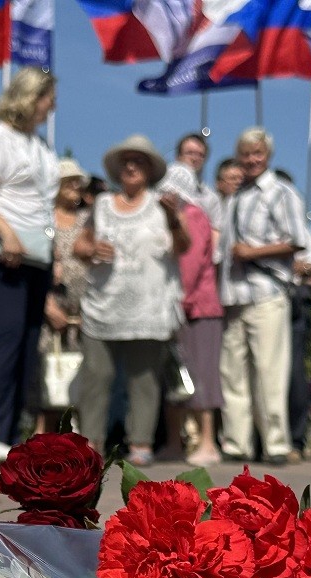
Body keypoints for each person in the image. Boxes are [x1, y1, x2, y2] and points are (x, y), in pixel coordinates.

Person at [73, 135, 189, 466]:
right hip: (104, 304)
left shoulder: (163, 205)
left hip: (147, 306)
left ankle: (141, 442)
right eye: (126, 161)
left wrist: (173, 220)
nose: (131, 166)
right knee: (97, 375)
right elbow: (79, 246)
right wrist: (91, 249)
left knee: (144, 379)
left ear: (150, 169)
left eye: (138, 160)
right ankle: (89, 444)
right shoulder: (102, 205)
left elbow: (183, 247)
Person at [0, 68, 59, 463]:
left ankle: (11, 433)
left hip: (38, 253)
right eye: (47, 97)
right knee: (5, 338)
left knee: (27, 342)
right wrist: (6, 233)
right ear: (30, 97)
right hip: (5, 251)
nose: (52, 105)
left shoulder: (39, 144)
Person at [218, 127, 304, 464]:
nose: (252, 159)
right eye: (246, 153)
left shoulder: (281, 192)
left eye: (258, 153)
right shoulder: (236, 197)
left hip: (267, 292)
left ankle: (275, 444)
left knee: (270, 370)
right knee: (233, 372)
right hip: (235, 295)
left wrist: (254, 252)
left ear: (267, 156)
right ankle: (236, 443)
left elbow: (296, 238)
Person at [158, 164, 224, 466]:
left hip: (197, 309)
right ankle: (175, 442)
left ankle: (208, 441)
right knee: (175, 378)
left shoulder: (194, 214)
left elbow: (191, 264)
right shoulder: (168, 218)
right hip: (173, 309)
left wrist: (177, 302)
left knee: (200, 376)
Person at [36, 158, 90, 434]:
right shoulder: (43, 218)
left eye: (78, 183)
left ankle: (75, 437)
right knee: (49, 371)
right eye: (70, 182)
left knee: (80, 372)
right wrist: (47, 306)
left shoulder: (87, 218)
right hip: (51, 302)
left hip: (83, 307)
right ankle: (41, 435)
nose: (76, 188)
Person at [275, 169, 311, 462]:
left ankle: (295, 436)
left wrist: (296, 268)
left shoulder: (299, 229)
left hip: (291, 306)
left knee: (292, 373)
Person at [168, 132, 222, 232]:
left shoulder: (211, 197)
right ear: (177, 157)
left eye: (200, 155)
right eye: (190, 153)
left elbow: (215, 233)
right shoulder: (161, 187)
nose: (195, 158)